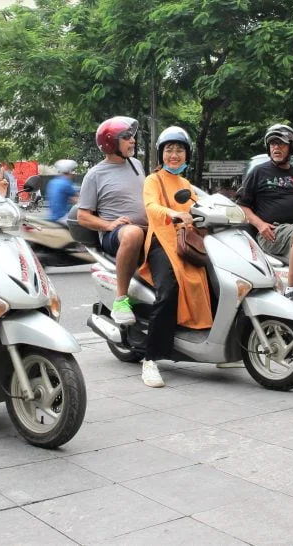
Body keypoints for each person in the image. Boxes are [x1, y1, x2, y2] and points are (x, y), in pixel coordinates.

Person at [136, 127, 212, 388]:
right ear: (161, 153)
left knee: (213, 279)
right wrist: (173, 213)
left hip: (186, 242)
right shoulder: (153, 180)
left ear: (186, 154)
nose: (174, 155)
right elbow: (151, 207)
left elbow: (200, 206)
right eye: (169, 150)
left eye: (179, 150)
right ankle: (150, 360)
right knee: (167, 290)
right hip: (161, 241)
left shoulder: (186, 184)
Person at [76, 117, 148, 325]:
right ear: (110, 143)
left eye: (132, 136)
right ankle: (121, 300)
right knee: (133, 233)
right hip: (116, 235)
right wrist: (108, 225)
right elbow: (83, 216)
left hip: (146, 229)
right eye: (126, 137)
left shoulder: (136, 164)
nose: (132, 140)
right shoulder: (95, 175)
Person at [237, 124, 293, 307]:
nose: (276, 148)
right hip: (272, 232)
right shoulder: (258, 172)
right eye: (272, 144)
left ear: (291, 148)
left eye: (281, 144)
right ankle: (292, 290)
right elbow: (242, 206)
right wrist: (260, 225)